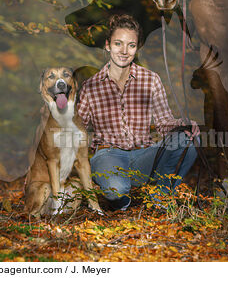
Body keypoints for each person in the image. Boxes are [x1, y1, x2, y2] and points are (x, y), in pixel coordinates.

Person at [77, 14, 199, 211]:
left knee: (187, 141)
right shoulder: (91, 87)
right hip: (108, 155)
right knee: (117, 191)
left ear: (137, 48)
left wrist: (183, 124)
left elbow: (163, 122)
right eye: (118, 44)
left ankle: (159, 197)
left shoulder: (150, 80)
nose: (124, 51)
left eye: (131, 45)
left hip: (145, 155)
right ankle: (120, 196)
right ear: (108, 45)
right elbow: (77, 128)